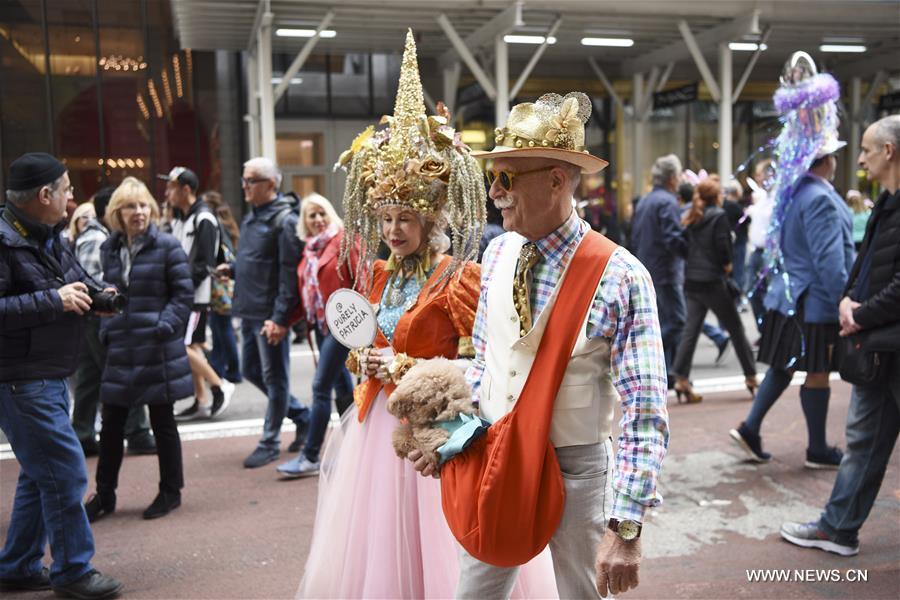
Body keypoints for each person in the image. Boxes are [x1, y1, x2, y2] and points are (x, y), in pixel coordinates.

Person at [297, 31, 556, 598]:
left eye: (404, 219)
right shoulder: (382, 274)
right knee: (379, 560)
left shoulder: (457, 276)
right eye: (385, 218)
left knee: (441, 552)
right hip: (375, 432)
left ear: (431, 218)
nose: (392, 230)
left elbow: (476, 360)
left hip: (431, 434)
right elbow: (365, 338)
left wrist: (407, 368)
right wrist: (363, 358)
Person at [419, 90, 670, 599]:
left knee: (579, 594)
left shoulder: (621, 275)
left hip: (575, 471)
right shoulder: (495, 253)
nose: (494, 192)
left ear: (558, 180)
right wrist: (450, 435)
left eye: (506, 177)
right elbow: (484, 364)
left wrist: (625, 530)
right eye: (494, 177)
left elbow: (644, 411)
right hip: (494, 453)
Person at [0, 152, 123, 598]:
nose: (73, 200)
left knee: (41, 473)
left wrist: (104, 297)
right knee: (65, 472)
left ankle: (16, 565)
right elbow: (54, 294)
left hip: (46, 373)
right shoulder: (5, 239)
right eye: (68, 190)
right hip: (21, 377)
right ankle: (72, 571)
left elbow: (76, 281)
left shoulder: (46, 234)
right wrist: (56, 300)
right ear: (44, 195)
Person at [781, 115, 900, 556]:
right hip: (878, 344)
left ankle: (837, 527)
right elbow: (859, 264)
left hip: (881, 336)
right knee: (863, 441)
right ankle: (838, 527)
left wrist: (857, 311)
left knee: (862, 440)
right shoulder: (882, 203)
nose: (862, 159)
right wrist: (850, 303)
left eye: (867, 150)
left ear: (889, 151)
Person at [730, 53, 853, 469]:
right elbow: (830, 262)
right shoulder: (819, 198)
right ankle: (817, 448)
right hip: (813, 300)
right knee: (816, 373)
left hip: (789, 296)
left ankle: (750, 428)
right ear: (826, 160)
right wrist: (842, 303)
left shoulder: (794, 194)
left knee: (784, 367)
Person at [83, 177, 193, 522]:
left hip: (156, 347)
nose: (139, 212)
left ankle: (170, 491)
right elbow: (105, 291)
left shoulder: (168, 246)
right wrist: (106, 328)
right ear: (117, 212)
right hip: (122, 346)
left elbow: (183, 295)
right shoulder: (110, 248)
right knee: (112, 423)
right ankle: (104, 494)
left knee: (163, 422)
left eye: (144, 205)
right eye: (130, 206)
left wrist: (163, 325)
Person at [222, 156, 309, 468]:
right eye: (244, 179)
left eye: (252, 180)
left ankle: (270, 441)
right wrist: (232, 269)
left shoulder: (283, 221)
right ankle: (303, 416)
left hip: (269, 314)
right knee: (251, 371)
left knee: (275, 379)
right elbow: (255, 261)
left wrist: (281, 318)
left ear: (271, 184)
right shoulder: (253, 217)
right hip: (249, 309)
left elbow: (288, 276)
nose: (245, 185)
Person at [71, 187, 156, 458]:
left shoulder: (96, 236)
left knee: (89, 377)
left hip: (90, 318)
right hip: (99, 317)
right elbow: (91, 282)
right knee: (122, 370)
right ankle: (138, 432)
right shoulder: (98, 239)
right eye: (126, 207)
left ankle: (83, 433)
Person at [276, 193, 356, 477]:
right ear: (305, 223)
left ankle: (310, 455)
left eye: (322, 213)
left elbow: (362, 279)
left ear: (330, 213)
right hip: (322, 328)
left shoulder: (344, 241)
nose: (318, 219)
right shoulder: (309, 250)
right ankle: (357, 449)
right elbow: (307, 297)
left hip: (344, 327)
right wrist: (283, 322)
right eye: (312, 215)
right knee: (343, 390)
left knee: (321, 387)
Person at [671, 176, 758, 403]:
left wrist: (690, 259)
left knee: (691, 330)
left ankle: (681, 378)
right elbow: (723, 246)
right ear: (716, 196)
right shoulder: (718, 216)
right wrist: (727, 265)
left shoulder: (691, 216)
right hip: (712, 281)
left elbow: (679, 243)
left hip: (693, 280)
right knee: (736, 328)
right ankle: (750, 376)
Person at [162, 167, 234, 420]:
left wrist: (182, 288)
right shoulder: (181, 217)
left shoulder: (203, 218)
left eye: (171, 187)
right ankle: (201, 399)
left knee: (180, 345)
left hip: (194, 296)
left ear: (186, 189)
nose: (166, 192)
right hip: (184, 294)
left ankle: (220, 385)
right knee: (190, 345)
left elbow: (204, 263)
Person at [631, 153, 687, 389]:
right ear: (673, 178)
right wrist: (691, 250)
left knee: (664, 319)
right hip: (666, 270)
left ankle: (668, 374)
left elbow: (634, 234)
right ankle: (648, 362)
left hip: (649, 266)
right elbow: (673, 238)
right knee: (677, 321)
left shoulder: (645, 200)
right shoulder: (667, 202)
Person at [202, 190, 242, 384]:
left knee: (223, 327)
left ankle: (233, 370)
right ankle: (220, 368)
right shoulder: (226, 222)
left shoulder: (215, 223)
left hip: (221, 283)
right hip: (225, 283)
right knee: (219, 327)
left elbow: (224, 255)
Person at [745, 159, 776, 334]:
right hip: (756, 251)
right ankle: (765, 330)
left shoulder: (777, 197)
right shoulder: (762, 197)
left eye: (759, 174)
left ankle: (769, 333)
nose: (757, 179)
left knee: (769, 293)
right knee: (751, 290)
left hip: (769, 253)